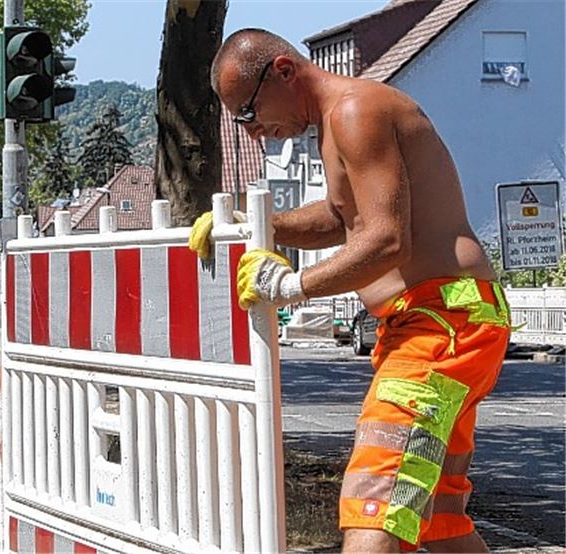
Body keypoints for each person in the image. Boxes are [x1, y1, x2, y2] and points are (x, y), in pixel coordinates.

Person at [190, 28, 511, 553]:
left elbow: (386, 240)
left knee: (374, 503)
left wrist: (290, 285)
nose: (254, 134)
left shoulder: (356, 111)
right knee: (436, 516)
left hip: (437, 328)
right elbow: (346, 217)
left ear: (284, 72)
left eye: (249, 113)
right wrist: (260, 225)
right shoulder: (343, 118)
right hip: (450, 323)